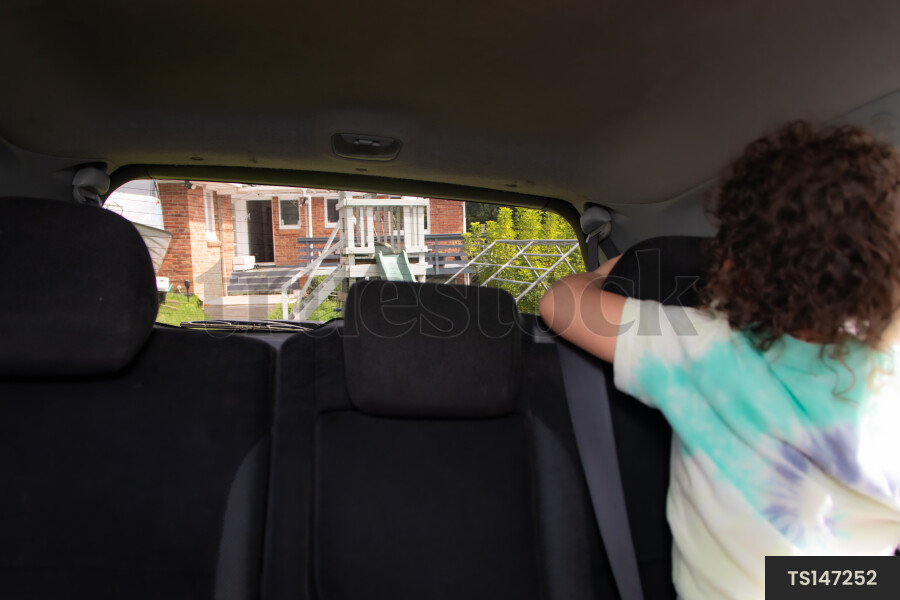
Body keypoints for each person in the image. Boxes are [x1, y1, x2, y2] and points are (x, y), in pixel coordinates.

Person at [539, 122, 900, 599]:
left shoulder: (704, 347)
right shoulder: (889, 373)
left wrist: (612, 269)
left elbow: (560, 305)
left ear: (732, 264)